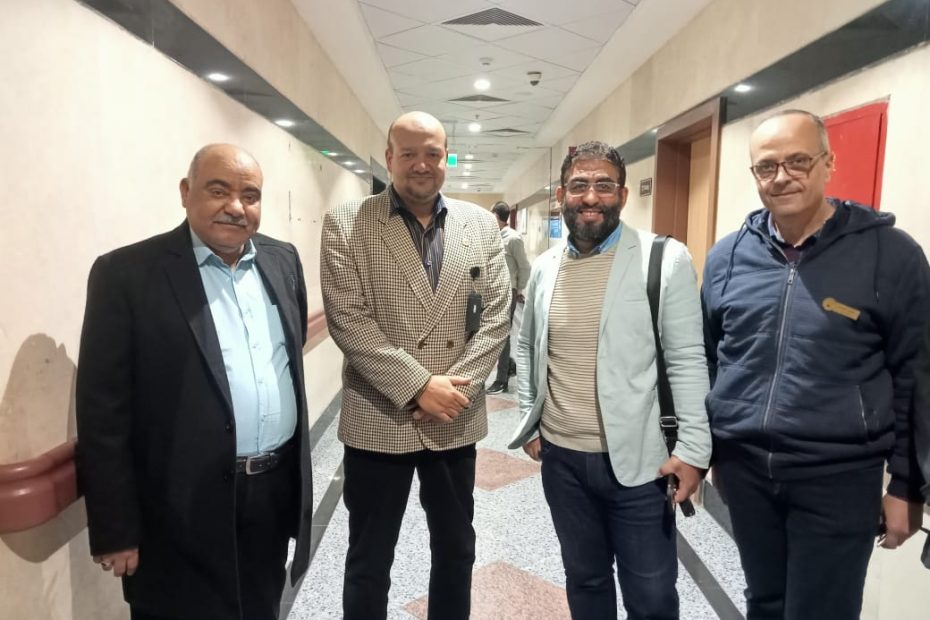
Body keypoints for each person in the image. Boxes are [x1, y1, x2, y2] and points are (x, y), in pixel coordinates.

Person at [702, 109, 930, 619]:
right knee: (765, 602)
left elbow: (916, 377)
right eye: (767, 166)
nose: (782, 176)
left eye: (798, 161)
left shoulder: (891, 254)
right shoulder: (727, 257)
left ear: (829, 163)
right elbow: (711, 359)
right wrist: (710, 448)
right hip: (745, 470)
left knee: (822, 611)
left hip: (839, 474)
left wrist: (907, 484)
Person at [76, 144, 313, 620]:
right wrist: (115, 528)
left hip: (269, 496)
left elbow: (290, 353)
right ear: (186, 193)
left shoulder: (282, 260)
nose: (236, 207)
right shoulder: (126, 274)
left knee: (260, 609)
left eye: (250, 195)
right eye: (218, 190)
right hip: (177, 508)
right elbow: (103, 413)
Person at [320, 111, 511, 620]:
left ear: (447, 158)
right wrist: (419, 386)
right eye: (408, 153)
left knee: (456, 550)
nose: (421, 164)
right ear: (389, 158)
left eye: (432, 153)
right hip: (378, 418)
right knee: (369, 558)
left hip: (454, 418)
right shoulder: (347, 222)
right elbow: (348, 320)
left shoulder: (479, 225)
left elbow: (496, 316)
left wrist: (453, 393)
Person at [509, 141, 711, 619]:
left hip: (641, 463)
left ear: (622, 193)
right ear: (561, 194)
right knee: (586, 579)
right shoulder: (545, 268)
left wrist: (694, 450)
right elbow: (528, 345)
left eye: (604, 185)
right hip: (563, 460)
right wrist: (529, 422)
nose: (590, 197)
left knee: (652, 595)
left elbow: (687, 359)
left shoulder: (663, 259)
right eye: (579, 185)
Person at [487, 200, 531, 394]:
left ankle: (502, 379)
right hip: (493, 291)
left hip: (508, 291)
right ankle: (510, 365)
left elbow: (525, 267)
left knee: (502, 334)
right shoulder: (493, 236)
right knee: (497, 332)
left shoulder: (513, 239)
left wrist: (519, 289)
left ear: (496, 216)